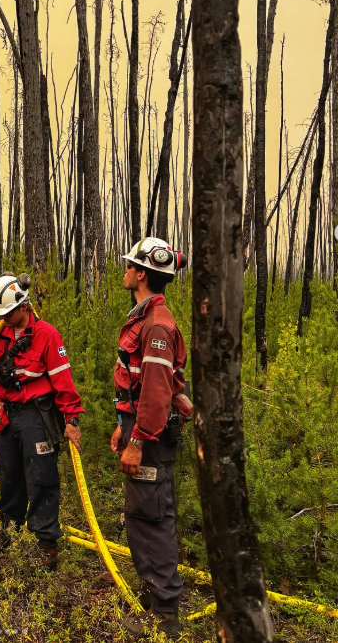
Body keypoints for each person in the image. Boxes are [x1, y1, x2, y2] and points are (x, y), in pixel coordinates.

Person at [0, 273, 84, 569]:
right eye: (0, 314)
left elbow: (63, 381)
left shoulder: (47, 335)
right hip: (7, 416)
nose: (4, 318)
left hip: (37, 416)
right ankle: (9, 531)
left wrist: (72, 420)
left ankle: (46, 544)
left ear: (24, 306)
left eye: (8, 312)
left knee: (42, 478)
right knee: (9, 476)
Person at [111, 238, 191, 638]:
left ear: (141, 273)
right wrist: (122, 425)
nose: (124, 270)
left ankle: (165, 612)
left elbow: (158, 393)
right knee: (143, 514)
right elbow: (138, 382)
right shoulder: (145, 317)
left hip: (152, 436)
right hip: (140, 426)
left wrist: (138, 441)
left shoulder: (156, 326)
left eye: (129, 265)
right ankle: (154, 592)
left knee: (152, 517)